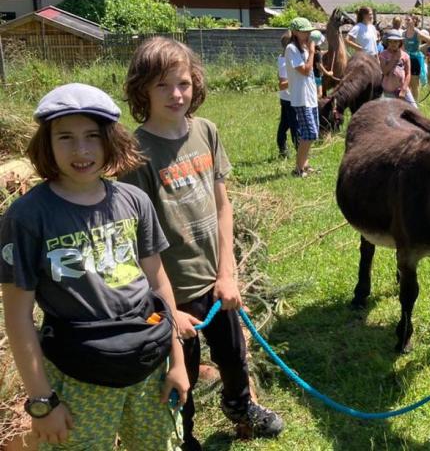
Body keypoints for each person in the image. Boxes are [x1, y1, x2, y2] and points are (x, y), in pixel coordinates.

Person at [1, 83, 188, 450]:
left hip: (148, 365)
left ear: (110, 141)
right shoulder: (27, 217)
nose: (81, 150)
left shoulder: (133, 201)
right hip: (79, 376)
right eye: (65, 137)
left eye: (92, 136)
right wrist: (42, 401)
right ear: (46, 143)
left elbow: (159, 284)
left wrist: (177, 360)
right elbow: (18, 315)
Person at [120, 37, 284, 451]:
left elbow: (223, 206)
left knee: (233, 357)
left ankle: (239, 405)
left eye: (184, 83)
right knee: (181, 375)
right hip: (172, 293)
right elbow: (137, 244)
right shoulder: (136, 155)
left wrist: (227, 273)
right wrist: (167, 308)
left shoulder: (206, 131)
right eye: (162, 86)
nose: (176, 94)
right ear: (142, 90)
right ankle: (184, 436)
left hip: (216, 282)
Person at [283, 17, 319, 178]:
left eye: (308, 31)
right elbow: (304, 70)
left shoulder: (303, 48)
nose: (307, 34)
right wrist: (312, 52)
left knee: (313, 132)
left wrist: (311, 50)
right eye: (304, 31)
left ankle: (304, 165)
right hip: (301, 98)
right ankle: (298, 169)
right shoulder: (291, 48)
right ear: (295, 32)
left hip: (310, 97)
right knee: (309, 133)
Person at [276, 31, 298, 158]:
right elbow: (282, 84)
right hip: (289, 99)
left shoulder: (283, 58)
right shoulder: (284, 62)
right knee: (295, 125)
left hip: (286, 98)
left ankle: (282, 149)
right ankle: (299, 150)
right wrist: (297, 78)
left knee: (284, 124)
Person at [380, 29, 416, 106]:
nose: (393, 44)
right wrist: (394, 59)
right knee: (391, 112)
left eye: (396, 41)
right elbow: (384, 71)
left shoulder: (405, 56)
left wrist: (404, 89)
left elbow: (408, 73)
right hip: (388, 90)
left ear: (400, 42)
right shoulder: (383, 55)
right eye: (391, 41)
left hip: (402, 88)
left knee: (413, 108)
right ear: (387, 42)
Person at [403, 14, 430, 100]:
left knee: (415, 85)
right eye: (405, 20)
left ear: (414, 21)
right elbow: (402, 48)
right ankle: (407, 104)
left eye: (408, 20)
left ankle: (415, 105)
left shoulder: (417, 33)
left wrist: (420, 48)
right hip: (405, 60)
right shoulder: (403, 33)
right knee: (406, 84)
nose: (406, 21)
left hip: (414, 60)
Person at [311, 30, 332, 98]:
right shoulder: (318, 54)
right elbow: (319, 66)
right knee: (319, 94)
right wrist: (328, 73)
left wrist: (329, 51)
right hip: (317, 75)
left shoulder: (312, 49)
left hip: (311, 75)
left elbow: (320, 52)